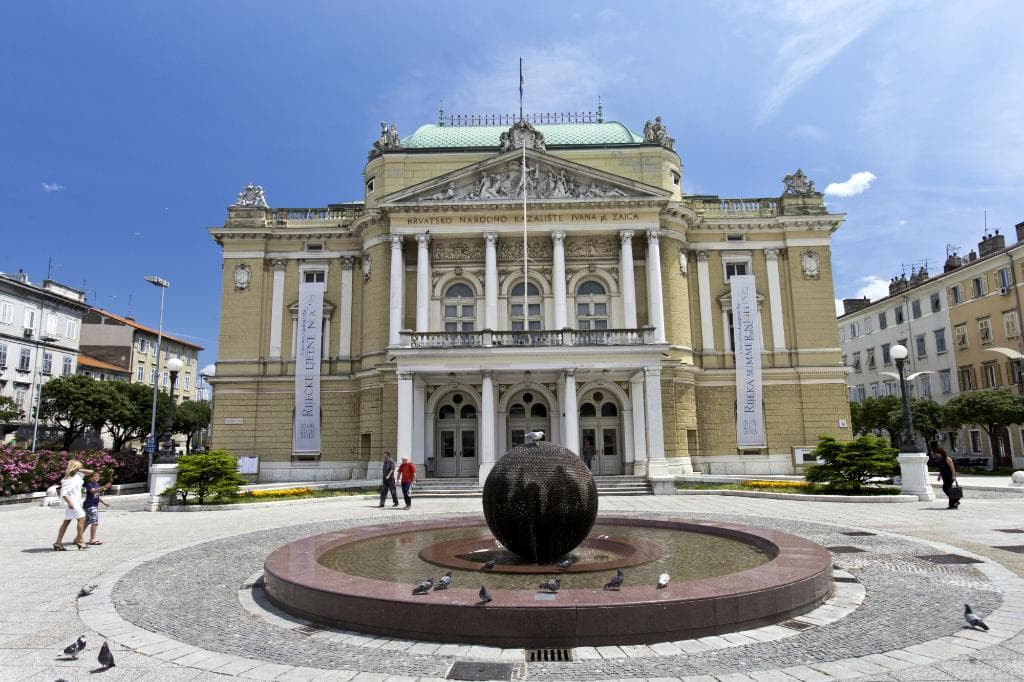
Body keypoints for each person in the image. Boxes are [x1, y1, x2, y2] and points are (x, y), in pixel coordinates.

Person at [54, 460, 94, 550]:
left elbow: (91, 472)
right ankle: (80, 541)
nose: (80, 468)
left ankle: (58, 543)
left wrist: (79, 470)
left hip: (76, 501)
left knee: (66, 521)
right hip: (72, 502)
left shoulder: (78, 475)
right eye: (78, 466)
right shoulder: (68, 479)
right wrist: (69, 503)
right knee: (81, 518)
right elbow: (64, 493)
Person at [83, 472, 111, 545]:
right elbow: (93, 491)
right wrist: (103, 487)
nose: (97, 477)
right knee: (95, 522)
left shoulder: (97, 485)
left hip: (93, 505)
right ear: (91, 478)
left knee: (87, 522)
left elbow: (97, 496)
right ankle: (92, 539)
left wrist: (105, 503)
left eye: (98, 476)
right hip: (90, 506)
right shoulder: (89, 485)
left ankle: (78, 538)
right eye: (95, 476)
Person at [931, 441, 958, 509]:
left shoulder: (947, 458)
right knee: (948, 489)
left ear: (941, 453)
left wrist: (954, 476)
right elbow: (941, 469)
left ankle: (953, 502)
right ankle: (954, 502)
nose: (936, 454)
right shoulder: (940, 459)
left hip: (950, 476)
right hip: (944, 476)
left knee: (946, 489)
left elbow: (952, 468)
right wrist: (939, 476)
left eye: (937, 453)